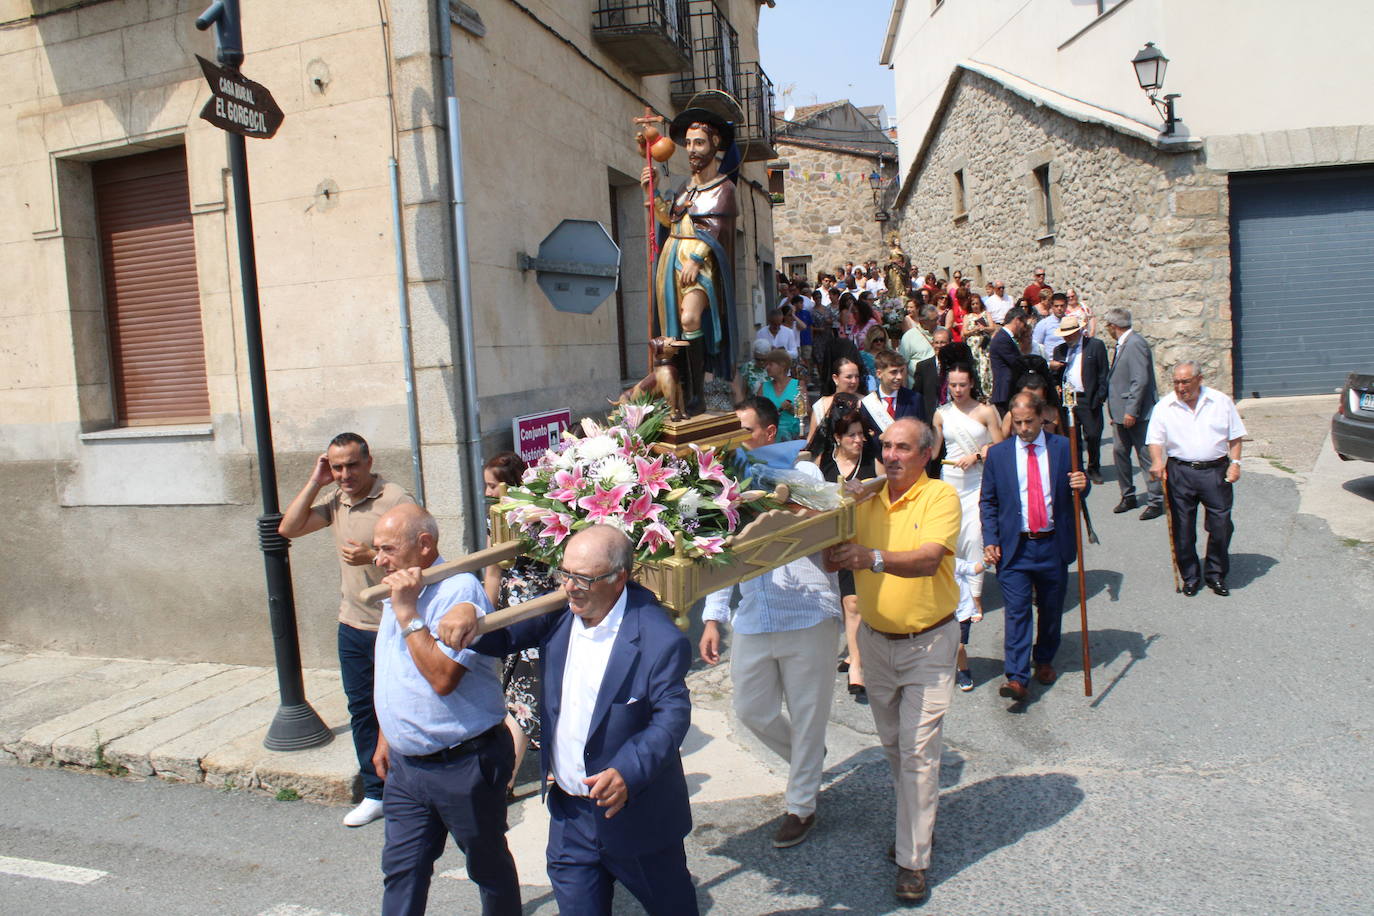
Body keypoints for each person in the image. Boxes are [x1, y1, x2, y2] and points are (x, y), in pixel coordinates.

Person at [442, 526, 697, 915]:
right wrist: (468, 610)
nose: (570, 587)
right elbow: (499, 636)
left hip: (636, 817)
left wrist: (628, 771)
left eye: (583, 579)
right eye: (565, 573)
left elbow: (671, 717)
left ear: (618, 579)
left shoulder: (659, 638)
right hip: (570, 818)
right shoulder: (559, 612)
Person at [823, 418, 960, 906]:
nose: (893, 455)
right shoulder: (864, 499)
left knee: (919, 753)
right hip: (877, 645)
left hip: (929, 645)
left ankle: (912, 861)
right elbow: (833, 558)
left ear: (925, 455)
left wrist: (869, 558)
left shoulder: (941, 497)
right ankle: (915, 829)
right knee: (896, 749)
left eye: (903, 448)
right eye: (887, 447)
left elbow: (927, 560)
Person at [700, 403, 842, 848]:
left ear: (766, 432)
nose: (734, 440)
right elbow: (718, 554)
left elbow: (819, 520)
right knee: (752, 710)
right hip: (755, 615)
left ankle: (801, 805)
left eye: (742, 431)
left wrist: (769, 489)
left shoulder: (806, 474)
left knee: (807, 711)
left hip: (807, 610)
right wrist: (712, 616)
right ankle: (808, 759)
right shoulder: (723, 487)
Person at [370, 504, 519, 915]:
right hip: (407, 767)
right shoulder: (398, 586)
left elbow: (441, 677)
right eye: (375, 549)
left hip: (464, 762)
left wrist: (407, 613)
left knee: (487, 866)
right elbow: (393, 667)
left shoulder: (457, 592)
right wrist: (388, 734)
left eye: (387, 549)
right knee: (402, 869)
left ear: (424, 545)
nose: (378, 560)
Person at [278, 432, 414, 828]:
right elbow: (289, 528)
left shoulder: (395, 499)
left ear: (369, 461)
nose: (345, 474)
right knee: (361, 709)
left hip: (393, 623)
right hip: (352, 622)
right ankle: (376, 793)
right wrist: (315, 481)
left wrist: (372, 555)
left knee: (400, 706)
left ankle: (409, 788)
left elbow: (421, 553)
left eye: (351, 465)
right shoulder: (337, 499)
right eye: (336, 467)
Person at [980, 393, 1089, 704]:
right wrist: (991, 539)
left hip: (1053, 544)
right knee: (1016, 612)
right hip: (1016, 547)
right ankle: (1016, 676)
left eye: (1029, 421)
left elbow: (1079, 488)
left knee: (1051, 609)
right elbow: (988, 501)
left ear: (1042, 418)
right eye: (1018, 422)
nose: (1024, 428)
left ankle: (1044, 657)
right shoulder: (999, 455)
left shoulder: (1062, 448)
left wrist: (1083, 483)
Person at [642, 108, 738, 415]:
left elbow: (718, 230)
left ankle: (698, 391)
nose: (692, 150)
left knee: (690, 319)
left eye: (699, 143)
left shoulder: (725, 188)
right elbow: (669, 221)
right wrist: (652, 191)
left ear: (714, 145)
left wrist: (697, 259)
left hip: (701, 263)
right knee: (673, 331)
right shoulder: (685, 188)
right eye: (689, 143)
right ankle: (678, 391)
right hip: (672, 257)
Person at [481, 452, 557, 795]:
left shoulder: (545, 515)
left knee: (524, 695)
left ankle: (506, 781)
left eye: (493, 485)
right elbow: (492, 571)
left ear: (512, 485)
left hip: (540, 614)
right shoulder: (495, 521)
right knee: (522, 692)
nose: (488, 492)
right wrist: (486, 617)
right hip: (513, 615)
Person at [1146, 361, 1246, 597]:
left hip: (1215, 471)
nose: (1181, 388)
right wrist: (1157, 461)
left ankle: (1215, 574)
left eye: (1185, 382)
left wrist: (1236, 464)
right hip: (1181, 471)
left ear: (1199, 379)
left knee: (1221, 525)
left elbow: (1235, 436)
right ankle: (1190, 576)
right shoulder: (1164, 406)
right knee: (1183, 528)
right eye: (1177, 383)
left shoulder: (1220, 402)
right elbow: (1155, 440)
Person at [932, 365, 1004, 690]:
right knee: (953, 539)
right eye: (953, 385)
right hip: (950, 482)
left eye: (962, 385)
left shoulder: (986, 411)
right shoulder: (941, 413)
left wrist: (977, 454)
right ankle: (954, 591)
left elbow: (1000, 448)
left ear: (971, 383)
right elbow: (934, 451)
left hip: (977, 482)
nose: (957, 390)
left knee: (975, 535)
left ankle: (974, 597)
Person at [820, 408, 878, 699]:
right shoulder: (824, 464)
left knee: (854, 602)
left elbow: (887, 494)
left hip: (864, 539)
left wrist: (866, 492)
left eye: (861, 434)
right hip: (833, 540)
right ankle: (855, 654)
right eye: (851, 435)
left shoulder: (871, 462)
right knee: (845, 603)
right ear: (837, 438)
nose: (858, 440)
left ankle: (857, 666)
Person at [1104, 308, 1163, 520]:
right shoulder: (1123, 344)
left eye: (1109, 326)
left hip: (1136, 414)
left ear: (1114, 326)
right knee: (1120, 453)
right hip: (1120, 413)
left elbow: (1140, 380)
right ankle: (1127, 495)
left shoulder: (1136, 344)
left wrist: (1131, 410)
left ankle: (1156, 500)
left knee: (1145, 456)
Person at [1050, 314, 1109, 484]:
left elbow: (1103, 374)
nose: (1068, 338)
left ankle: (1094, 466)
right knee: (1072, 436)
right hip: (1068, 399)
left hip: (1087, 397)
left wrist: (1100, 397)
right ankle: (1077, 468)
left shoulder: (1095, 346)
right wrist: (1056, 381)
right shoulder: (1059, 350)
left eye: (1071, 334)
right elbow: (1056, 376)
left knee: (1092, 434)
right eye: (1065, 336)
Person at [860, 349, 925, 457]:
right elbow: (865, 440)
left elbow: (923, 437)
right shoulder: (868, 403)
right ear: (879, 373)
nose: (899, 377)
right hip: (879, 464)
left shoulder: (914, 399)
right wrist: (880, 438)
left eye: (902, 371)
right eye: (893, 372)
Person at [756, 348, 805, 441]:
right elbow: (757, 413)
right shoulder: (763, 387)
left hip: (793, 437)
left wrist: (792, 409)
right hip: (770, 437)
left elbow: (808, 412)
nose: (767, 368)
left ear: (782, 366)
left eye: (770, 364)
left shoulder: (798, 385)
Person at [989, 307, 1029, 416]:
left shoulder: (1005, 337)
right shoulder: (1002, 339)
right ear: (1017, 320)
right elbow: (1016, 363)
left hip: (1008, 391)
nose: (1024, 328)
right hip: (1005, 391)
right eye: (1024, 324)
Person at [1000, 372, 1061, 438]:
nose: (1033, 404)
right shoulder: (1011, 415)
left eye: (1037, 400)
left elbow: (1062, 440)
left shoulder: (1053, 413)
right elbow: (1002, 443)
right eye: (1018, 422)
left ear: (1044, 395)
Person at [733, 338, 772, 405]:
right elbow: (742, 391)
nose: (761, 362)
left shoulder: (773, 367)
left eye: (764, 359)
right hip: (753, 406)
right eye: (758, 359)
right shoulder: (748, 367)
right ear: (753, 355)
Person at [1031, 292, 1067, 360]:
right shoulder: (1043, 324)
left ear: (1066, 306)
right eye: (1056, 306)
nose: (1059, 308)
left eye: (1062, 306)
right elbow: (1036, 345)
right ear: (1052, 306)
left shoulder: (1071, 322)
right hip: (1051, 362)